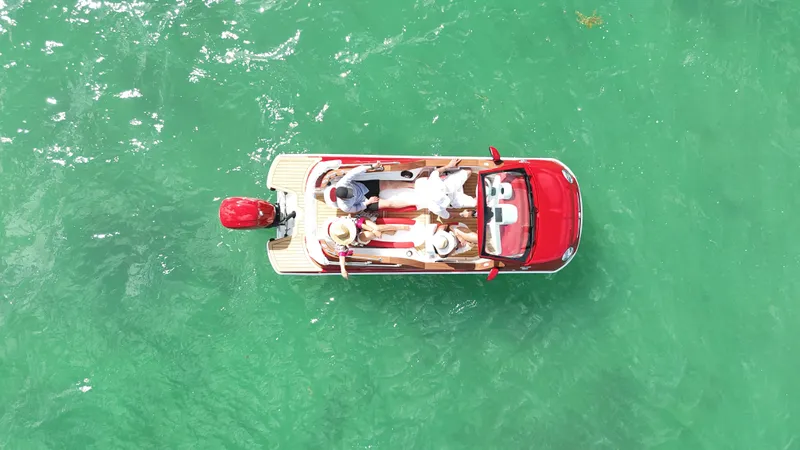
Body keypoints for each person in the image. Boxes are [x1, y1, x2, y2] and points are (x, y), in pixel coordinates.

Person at [326, 215, 410, 279]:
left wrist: (373, 230)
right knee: (370, 235)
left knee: (377, 228)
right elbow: (342, 254)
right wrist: (343, 269)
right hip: (357, 236)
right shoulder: (338, 238)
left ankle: (398, 227)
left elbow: (359, 224)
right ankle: (387, 231)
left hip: (359, 224)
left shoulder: (344, 223)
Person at [323, 163, 419, 213]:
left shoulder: (342, 183)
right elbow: (356, 208)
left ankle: (412, 185)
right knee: (389, 204)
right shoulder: (344, 207)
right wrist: (368, 202)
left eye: (350, 191)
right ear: (343, 199)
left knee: (388, 184)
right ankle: (415, 202)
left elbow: (354, 172)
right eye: (350, 195)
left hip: (364, 187)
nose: (352, 194)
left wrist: (371, 166)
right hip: (364, 201)